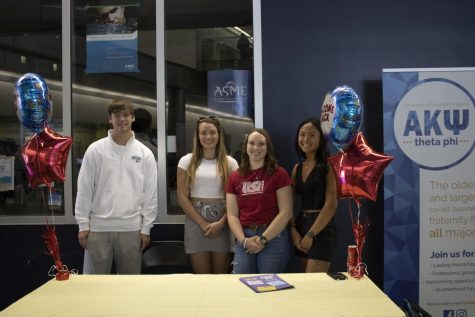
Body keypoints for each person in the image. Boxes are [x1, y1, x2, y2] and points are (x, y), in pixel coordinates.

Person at [75, 99, 158, 274]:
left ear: (133, 118)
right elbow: (84, 189)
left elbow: (150, 195)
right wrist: (83, 225)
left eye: (126, 115)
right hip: (98, 229)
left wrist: (146, 229)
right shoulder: (95, 150)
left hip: (132, 229)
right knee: (96, 288)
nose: (122, 119)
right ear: (109, 119)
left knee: (129, 289)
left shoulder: (146, 153)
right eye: (117, 116)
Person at [225, 128, 293, 273]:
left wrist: (263, 239)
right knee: (241, 286)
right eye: (252, 143)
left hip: (273, 237)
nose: (256, 148)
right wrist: (244, 241)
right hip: (244, 237)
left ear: (267, 147)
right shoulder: (234, 177)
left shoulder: (279, 174)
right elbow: (232, 215)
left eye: (261, 144)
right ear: (245, 147)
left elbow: (286, 212)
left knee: (269, 288)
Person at [177, 116, 238, 274]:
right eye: (203, 133)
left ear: (219, 135)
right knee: (202, 278)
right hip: (196, 222)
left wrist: (222, 223)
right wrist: (203, 223)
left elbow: (236, 199)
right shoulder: (186, 161)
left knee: (220, 278)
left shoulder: (230, 163)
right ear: (197, 136)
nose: (208, 137)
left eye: (212, 132)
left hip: (223, 223)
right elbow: (182, 197)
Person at [289, 118, 338, 273]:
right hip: (300, 226)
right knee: (306, 283)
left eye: (311, 135)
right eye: (302, 134)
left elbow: (331, 205)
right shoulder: (297, 168)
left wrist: (311, 234)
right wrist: (292, 230)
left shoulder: (328, 166)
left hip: (321, 228)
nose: (305, 139)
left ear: (321, 138)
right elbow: (289, 204)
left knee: (315, 283)